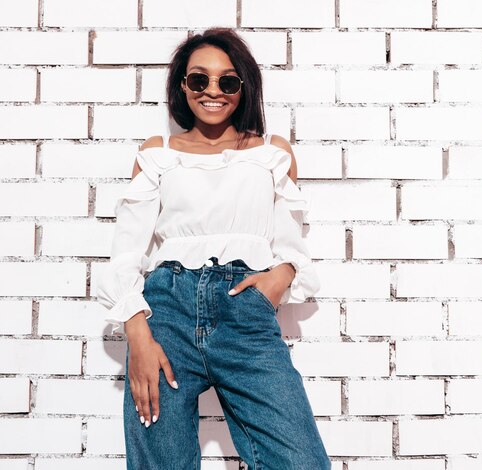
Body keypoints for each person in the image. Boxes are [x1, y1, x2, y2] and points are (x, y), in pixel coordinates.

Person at [95, 27, 330, 469]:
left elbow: (291, 247)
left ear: (244, 87)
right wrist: (138, 334)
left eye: (228, 81)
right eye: (199, 80)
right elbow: (125, 251)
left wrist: (278, 280)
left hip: (246, 314)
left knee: (302, 462)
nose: (213, 91)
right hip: (165, 316)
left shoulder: (271, 153)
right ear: (183, 87)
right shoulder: (157, 153)